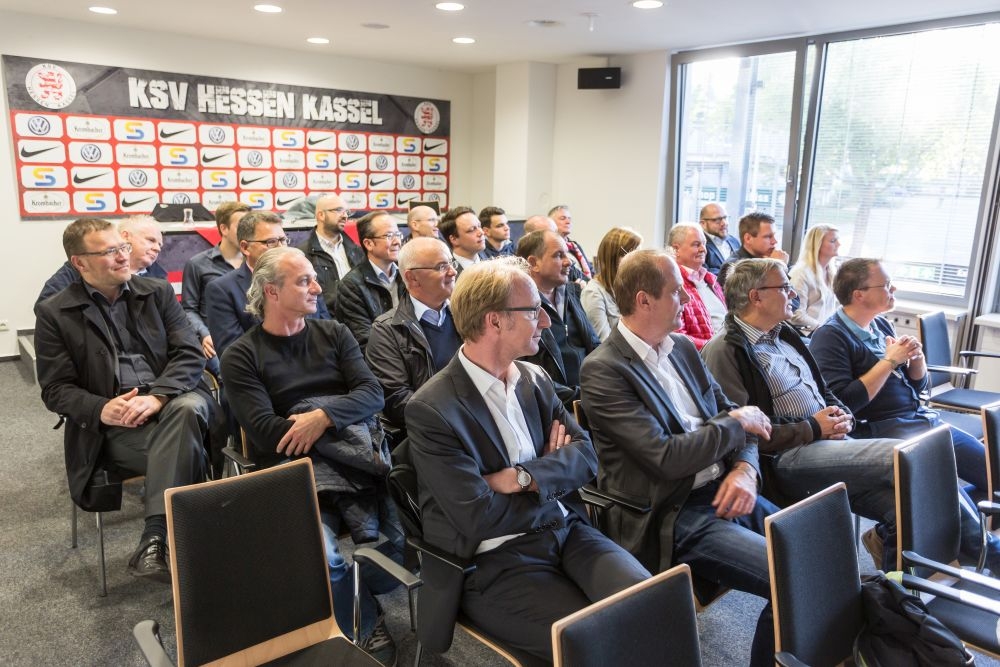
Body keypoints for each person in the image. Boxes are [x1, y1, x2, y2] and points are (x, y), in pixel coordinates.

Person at [405, 256, 651, 663]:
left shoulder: (533, 380)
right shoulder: (432, 408)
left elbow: (588, 457)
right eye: (534, 311)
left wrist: (521, 478)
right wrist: (552, 479)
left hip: (567, 531)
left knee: (651, 605)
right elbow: (477, 518)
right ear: (494, 321)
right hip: (495, 563)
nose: (546, 322)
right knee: (593, 644)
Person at [579, 249, 777, 667]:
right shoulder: (604, 370)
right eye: (676, 293)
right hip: (673, 511)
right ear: (643, 301)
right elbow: (665, 458)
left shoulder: (683, 348)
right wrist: (736, 425)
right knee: (794, 579)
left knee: (817, 550)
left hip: (728, 488)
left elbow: (745, 426)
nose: (687, 300)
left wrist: (744, 470)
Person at [220, 246, 404, 665]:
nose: (318, 287)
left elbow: (373, 395)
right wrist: (335, 421)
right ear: (271, 291)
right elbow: (266, 433)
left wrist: (318, 417)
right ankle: (363, 620)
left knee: (403, 545)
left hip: (356, 463)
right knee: (325, 559)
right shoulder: (242, 355)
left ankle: (341, 595)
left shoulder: (333, 334)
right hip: (293, 471)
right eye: (304, 281)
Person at [35, 217, 212, 582]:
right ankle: (200, 551)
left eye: (122, 248)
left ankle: (154, 538)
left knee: (187, 409)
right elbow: (55, 389)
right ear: (79, 263)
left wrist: (159, 397)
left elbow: (189, 355)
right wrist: (102, 408)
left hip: (172, 399)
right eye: (108, 251)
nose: (121, 257)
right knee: (188, 442)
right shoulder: (55, 312)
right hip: (118, 428)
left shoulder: (157, 292)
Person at [701, 257, 901, 569]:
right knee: (900, 455)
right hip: (784, 460)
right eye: (784, 287)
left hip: (824, 444)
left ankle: (900, 594)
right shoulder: (726, 350)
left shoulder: (785, 333)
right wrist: (814, 427)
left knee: (902, 508)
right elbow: (744, 433)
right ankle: (990, 550)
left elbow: (823, 388)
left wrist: (842, 413)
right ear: (756, 296)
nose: (793, 294)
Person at [810, 257, 1000, 571]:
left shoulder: (880, 323)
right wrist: (888, 361)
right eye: (885, 284)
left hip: (920, 420)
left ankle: (901, 534)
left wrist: (915, 359)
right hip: (884, 432)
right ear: (859, 294)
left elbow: (918, 385)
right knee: (939, 484)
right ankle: (985, 552)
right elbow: (844, 403)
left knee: (992, 475)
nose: (892, 288)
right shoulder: (830, 336)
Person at [365, 237, 461, 432]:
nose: (453, 272)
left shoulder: (467, 316)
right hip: (430, 431)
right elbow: (397, 400)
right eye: (442, 266)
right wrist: (457, 416)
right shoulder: (387, 330)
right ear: (412, 277)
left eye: (452, 263)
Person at [205, 211, 330, 360]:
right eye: (271, 242)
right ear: (245, 247)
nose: (281, 247)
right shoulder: (222, 290)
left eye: (283, 240)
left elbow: (325, 331)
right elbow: (233, 354)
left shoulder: (306, 278)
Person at [516, 230, 601, 408]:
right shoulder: (518, 307)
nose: (568, 261)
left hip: (590, 396)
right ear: (533, 263)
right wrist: (582, 397)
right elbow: (524, 374)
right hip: (555, 406)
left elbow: (595, 346)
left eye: (567, 254)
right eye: (558, 255)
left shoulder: (571, 293)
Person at [35, 216, 166, 313]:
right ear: (125, 237)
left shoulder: (160, 282)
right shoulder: (78, 270)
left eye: (159, 245)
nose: (157, 248)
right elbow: (47, 306)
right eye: (151, 240)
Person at [180, 200, 249, 374]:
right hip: (216, 338)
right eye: (242, 225)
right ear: (224, 229)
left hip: (252, 337)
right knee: (235, 373)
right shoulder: (197, 264)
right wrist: (204, 334)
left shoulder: (256, 261)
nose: (247, 231)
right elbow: (188, 309)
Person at [336, 211, 407, 352]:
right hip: (380, 361)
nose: (397, 241)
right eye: (388, 236)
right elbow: (364, 340)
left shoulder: (408, 274)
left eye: (398, 234)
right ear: (368, 244)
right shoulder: (351, 286)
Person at [297, 193, 365, 313]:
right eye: (339, 210)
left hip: (358, 318)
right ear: (321, 215)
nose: (345, 216)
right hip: (327, 324)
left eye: (347, 212)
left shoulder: (357, 250)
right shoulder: (302, 254)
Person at [668, 222, 726, 350]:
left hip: (725, 349)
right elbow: (676, 336)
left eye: (704, 243)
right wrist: (714, 348)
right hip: (703, 356)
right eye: (696, 244)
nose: (703, 249)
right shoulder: (671, 283)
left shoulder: (711, 280)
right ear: (676, 249)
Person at [580, 226, 642, 341]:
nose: (637, 262)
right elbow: (604, 343)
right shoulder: (593, 293)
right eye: (631, 255)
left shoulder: (632, 289)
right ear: (612, 258)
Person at [788, 224, 841, 333]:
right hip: (807, 335)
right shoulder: (800, 273)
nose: (839, 244)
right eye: (832, 241)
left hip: (825, 333)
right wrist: (823, 330)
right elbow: (795, 314)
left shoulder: (832, 272)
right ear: (817, 245)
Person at [718, 211, 791, 287]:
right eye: (768, 236)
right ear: (748, 238)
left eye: (774, 235)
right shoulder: (733, 267)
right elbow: (764, 296)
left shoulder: (765, 259)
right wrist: (777, 267)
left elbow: (794, 297)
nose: (774, 241)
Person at [549, 204, 592, 279]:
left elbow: (590, 269)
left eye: (569, 219)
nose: (568, 221)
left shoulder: (575, 246)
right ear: (551, 223)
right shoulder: (549, 246)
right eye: (563, 218)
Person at [439, 205, 486, 273]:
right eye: (472, 229)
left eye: (479, 226)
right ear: (454, 239)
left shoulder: (493, 265)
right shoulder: (445, 273)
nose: (481, 232)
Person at [699, 202, 740, 276]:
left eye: (725, 218)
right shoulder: (700, 246)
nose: (724, 223)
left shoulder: (734, 241)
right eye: (717, 220)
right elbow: (705, 275)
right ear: (703, 224)